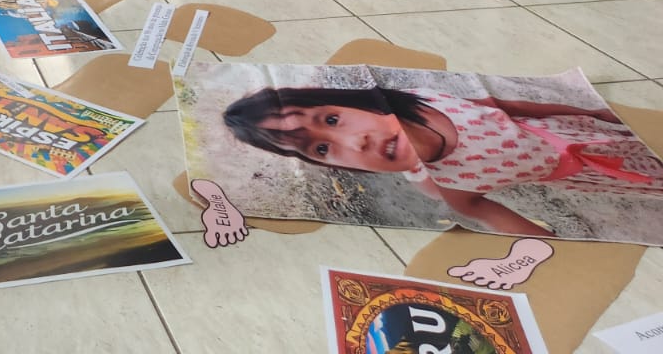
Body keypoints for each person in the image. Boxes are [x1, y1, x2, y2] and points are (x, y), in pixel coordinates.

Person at [223, 83, 663, 235]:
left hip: (590, 132)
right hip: (604, 174)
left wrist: (592, 113)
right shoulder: (450, 184)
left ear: (355, 101)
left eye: (333, 119)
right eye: (321, 149)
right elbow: (498, 217)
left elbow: (508, 106)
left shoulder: (431, 101)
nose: (356, 143)